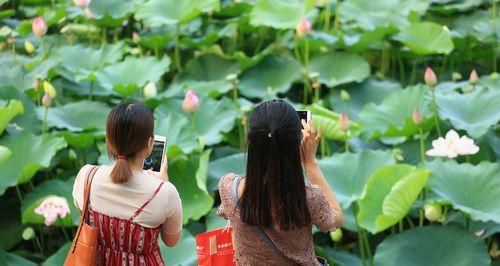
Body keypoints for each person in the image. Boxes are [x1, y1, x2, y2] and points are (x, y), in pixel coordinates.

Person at [217, 99, 343, 265]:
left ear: (252, 142)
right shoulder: (310, 198)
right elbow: (337, 219)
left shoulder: (228, 188)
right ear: (297, 143)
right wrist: (311, 165)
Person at [72, 102, 182, 265]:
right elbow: (171, 240)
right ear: (149, 144)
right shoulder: (164, 192)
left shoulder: (87, 176)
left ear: (109, 141)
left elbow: (83, 212)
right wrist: (161, 183)